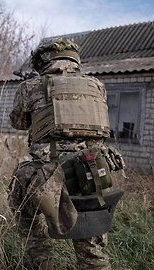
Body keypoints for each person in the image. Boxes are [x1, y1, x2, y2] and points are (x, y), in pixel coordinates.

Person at [8, 38, 126, 270]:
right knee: (92, 246)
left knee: (20, 200)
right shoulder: (96, 85)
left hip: (51, 175)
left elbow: (19, 123)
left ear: (42, 61)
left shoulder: (31, 86)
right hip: (94, 171)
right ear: (74, 58)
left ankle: (41, 259)